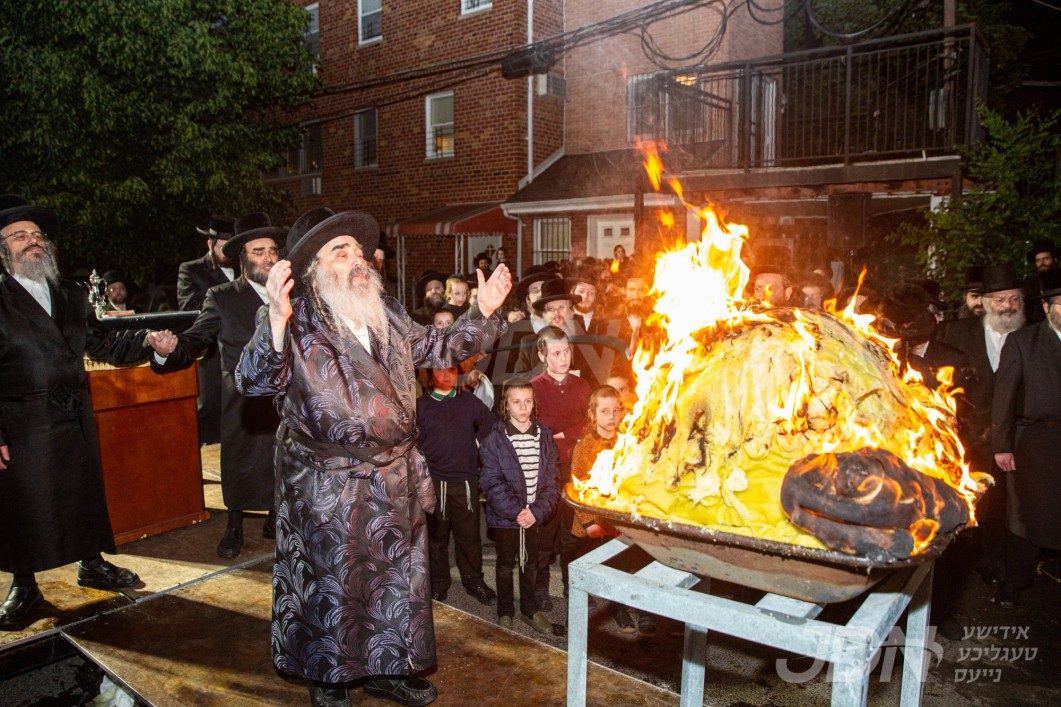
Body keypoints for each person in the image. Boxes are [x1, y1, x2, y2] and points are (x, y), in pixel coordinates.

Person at [236, 209, 511, 707]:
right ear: (314, 267)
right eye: (341, 251)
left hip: (394, 477)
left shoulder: (386, 309)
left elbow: (439, 346)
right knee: (334, 584)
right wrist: (274, 320)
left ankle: (388, 669)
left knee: (394, 580)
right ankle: (330, 677)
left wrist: (483, 311)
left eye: (359, 251)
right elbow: (253, 381)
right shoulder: (292, 316)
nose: (357, 259)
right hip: (326, 483)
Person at [0, 195, 155, 627]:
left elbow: (102, 343)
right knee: (24, 503)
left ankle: (92, 563)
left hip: (74, 414)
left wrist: (147, 342)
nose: (33, 241)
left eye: (37, 235)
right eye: (19, 236)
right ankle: (25, 586)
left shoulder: (70, 293)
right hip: (22, 420)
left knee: (83, 492)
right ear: (2, 250)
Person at [148, 212, 293, 558]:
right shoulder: (223, 296)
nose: (268, 258)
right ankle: (234, 525)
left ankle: (276, 517)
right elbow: (197, 338)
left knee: (282, 460)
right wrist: (169, 351)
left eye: (272, 250)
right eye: (258, 251)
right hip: (241, 398)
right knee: (240, 462)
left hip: (284, 396)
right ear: (242, 257)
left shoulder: (290, 293)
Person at [936, 263, 1027, 583]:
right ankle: (954, 564)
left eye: (1014, 299)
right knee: (962, 504)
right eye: (1000, 300)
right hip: (966, 438)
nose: (1007, 306)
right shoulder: (956, 333)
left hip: (1014, 440)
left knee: (1003, 508)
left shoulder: (1032, 335)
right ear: (986, 302)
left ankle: (994, 563)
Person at [990, 268, 1061, 609]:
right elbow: (1003, 398)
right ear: (1047, 307)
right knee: (1026, 517)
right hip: (1034, 444)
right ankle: (1013, 582)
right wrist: (1002, 446)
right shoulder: (1023, 342)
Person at [479, 378, 560, 634]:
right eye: (516, 402)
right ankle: (505, 609)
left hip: (534, 516)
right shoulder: (495, 439)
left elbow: (553, 480)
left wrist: (535, 512)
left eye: (528, 401)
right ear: (506, 405)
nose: (523, 407)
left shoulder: (544, 436)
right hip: (507, 517)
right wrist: (516, 512)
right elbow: (491, 482)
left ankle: (529, 609)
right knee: (505, 564)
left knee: (530, 564)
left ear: (534, 403)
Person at [416, 366, 497, 605]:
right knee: (436, 538)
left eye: (451, 369)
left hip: (466, 481)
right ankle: (439, 583)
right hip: (435, 482)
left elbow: (490, 422)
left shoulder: (469, 401)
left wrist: (477, 442)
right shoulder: (420, 406)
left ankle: (474, 581)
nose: (446, 374)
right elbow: (410, 439)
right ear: (428, 374)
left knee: (469, 536)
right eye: (440, 369)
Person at [530, 326, 591, 608]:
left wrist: (562, 434)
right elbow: (539, 430)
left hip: (577, 469)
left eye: (566, 351)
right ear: (542, 355)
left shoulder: (582, 386)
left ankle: (573, 586)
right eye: (556, 353)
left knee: (573, 533)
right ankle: (540, 590)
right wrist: (563, 433)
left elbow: (589, 424)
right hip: (548, 471)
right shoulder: (534, 388)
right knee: (545, 533)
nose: (563, 358)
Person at [177, 214, 237, 445]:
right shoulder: (191, 270)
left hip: (242, 354)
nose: (228, 254)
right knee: (211, 415)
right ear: (209, 244)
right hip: (212, 358)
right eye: (223, 248)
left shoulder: (245, 269)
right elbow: (190, 310)